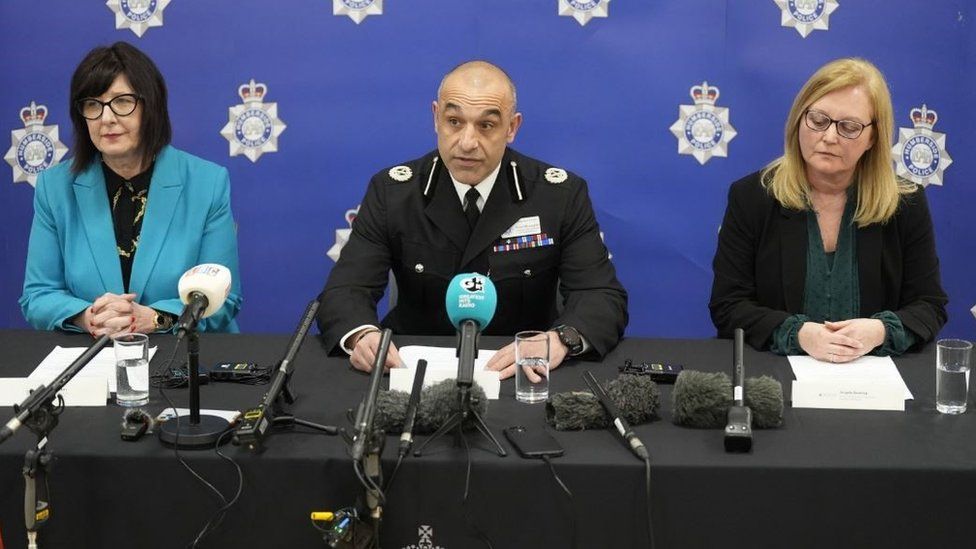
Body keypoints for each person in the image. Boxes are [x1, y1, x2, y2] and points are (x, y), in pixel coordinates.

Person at [317, 60, 627, 379]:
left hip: (522, 373)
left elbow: (600, 295)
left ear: (512, 128)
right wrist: (361, 335)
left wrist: (560, 340)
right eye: (454, 121)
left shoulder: (559, 195)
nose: (467, 143)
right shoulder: (392, 192)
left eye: (486, 125)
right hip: (412, 372)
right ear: (436, 118)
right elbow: (346, 289)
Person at [709, 58, 947, 362]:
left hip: (872, 377)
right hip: (777, 372)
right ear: (798, 120)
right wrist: (798, 334)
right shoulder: (752, 197)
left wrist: (879, 331)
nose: (829, 137)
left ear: (873, 138)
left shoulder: (905, 203)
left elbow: (929, 305)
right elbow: (728, 306)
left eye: (849, 127)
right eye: (818, 120)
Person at [20, 42, 242, 336]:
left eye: (122, 101)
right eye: (93, 104)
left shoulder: (207, 182)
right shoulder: (55, 187)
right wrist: (89, 318)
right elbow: (37, 296)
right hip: (93, 355)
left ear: (151, 107)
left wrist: (153, 318)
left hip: (181, 357)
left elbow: (225, 299)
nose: (106, 117)